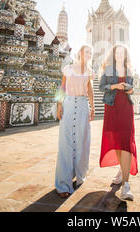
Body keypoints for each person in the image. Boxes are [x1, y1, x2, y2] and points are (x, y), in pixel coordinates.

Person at [55, 45, 95, 198]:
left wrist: (93, 107)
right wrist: (59, 104)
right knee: (65, 143)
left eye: (91, 52)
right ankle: (63, 184)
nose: (89, 54)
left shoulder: (90, 72)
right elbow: (62, 87)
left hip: (83, 106)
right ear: (80, 53)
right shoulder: (68, 69)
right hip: (69, 104)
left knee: (81, 141)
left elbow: (90, 89)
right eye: (86, 51)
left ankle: (79, 174)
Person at [99, 44, 138, 201]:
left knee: (126, 143)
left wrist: (130, 90)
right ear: (114, 55)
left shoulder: (130, 70)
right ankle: (122, 171)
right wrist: (115, 85)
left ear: (126, 55)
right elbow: (102, 87)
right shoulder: (108, 69)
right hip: (112, 108)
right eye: (117, 53)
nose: (120, 55)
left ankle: (126, 185)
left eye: (123, 53)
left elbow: (133, 89)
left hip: (126, 108)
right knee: (116, 142)